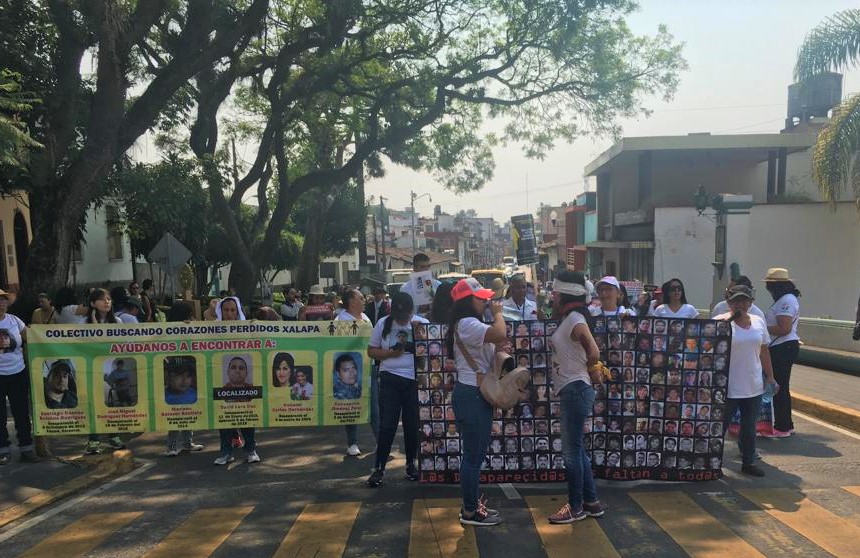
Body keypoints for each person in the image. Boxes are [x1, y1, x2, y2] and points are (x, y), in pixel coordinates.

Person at [546, 270, 606, 523]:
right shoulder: (571, 318)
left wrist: (592, 367)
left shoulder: (574, 318)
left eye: (555, 294)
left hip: (575, 388)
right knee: (577, 450)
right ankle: (591, 502)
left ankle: (575, 507)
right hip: (574, 388)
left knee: (571, 453)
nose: (552, 298)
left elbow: (593, 350)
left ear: (563, 296)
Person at [447, 278, 506, 526]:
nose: (486, 302)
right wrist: (498, 314)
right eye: (480, 298)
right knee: (473, 458)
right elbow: (500, 333)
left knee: (475, 455)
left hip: (474, 393)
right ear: (466, 301)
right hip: (472, 394)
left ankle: (471, 505)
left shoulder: (469, 324)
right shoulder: (467, 324)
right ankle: (470, 511)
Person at [714, 285, 777, 476]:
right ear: (729, 303)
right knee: (719, 427)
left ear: (750, 302)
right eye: (735, 301)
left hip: (753, 385)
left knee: (749, 428)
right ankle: (712, 463)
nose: (740, 304)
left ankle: (748, 462)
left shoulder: (758, 321)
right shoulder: (720, 322)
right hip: (727, 386)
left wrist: (770, 376)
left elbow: (764, 350)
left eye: (744, 300)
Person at [366, 293, 427, 487]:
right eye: (398, 317)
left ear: (411, 312)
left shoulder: (421, 323)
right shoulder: (383, 324)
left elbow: (432, 352)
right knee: (387, 424)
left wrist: (419, 336)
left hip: (413, 379)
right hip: (389, 377)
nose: (402, 320)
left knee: (411, 424)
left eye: (405, 317)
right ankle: (379, 468)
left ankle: (411, 464)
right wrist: (389, 353)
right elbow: (371, 351)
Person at [214, 296, 260, 465]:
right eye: (226, 310)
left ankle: (251, 450)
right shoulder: (212, 330)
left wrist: (257, 327)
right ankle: (226, 452)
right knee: (224, 418)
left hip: (245, 385)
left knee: (247, 416)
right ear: (221, 311)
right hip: (222, 383)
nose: (229, 313)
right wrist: (187, 327)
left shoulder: (247, 328)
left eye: (233, 310)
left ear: (238, 311)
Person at [84, 289, 126, 455]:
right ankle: (93, 441)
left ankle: (114, 437)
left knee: (110, 405)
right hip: (90, 371)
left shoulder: (117, 322)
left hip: (109, 372)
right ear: (93, 304)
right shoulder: (83, 323)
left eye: (108, 299)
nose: (107, 302)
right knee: (94, 407)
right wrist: (95, 326)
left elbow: (121, 344)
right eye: (102, 299)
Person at [762, 268, 801, 438]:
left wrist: (762, 328)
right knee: (782, 387)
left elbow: (784, 328)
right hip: (783, 346)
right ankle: (786, 424)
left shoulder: (786, 301)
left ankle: (782, 426)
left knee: (779, 387)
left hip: (783, 347)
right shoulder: (785, 300)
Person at [0, 288, 36, 465]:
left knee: (21, 412)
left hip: (18, 372)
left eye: (3, 300)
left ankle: (26, 449)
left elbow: (32, 337)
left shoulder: (15, 320)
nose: (1, 304)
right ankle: (3, 450)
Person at [336, 288, 372, 455]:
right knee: (352, 405)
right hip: (351, 367)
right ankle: (352, 443)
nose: (364, 300)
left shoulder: (365, 317)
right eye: (361, 298)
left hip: (369, 366)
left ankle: (381, 442)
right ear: (351, 302)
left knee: (374, 405)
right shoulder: (341, 320)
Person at [398, 253, 441, 317]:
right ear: (414, 268)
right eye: (422, 267)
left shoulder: (438, 285)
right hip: (414, 321)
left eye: (428, 266)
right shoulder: (405, 288)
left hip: (434, 321)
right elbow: (404, 311)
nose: (426, 269)